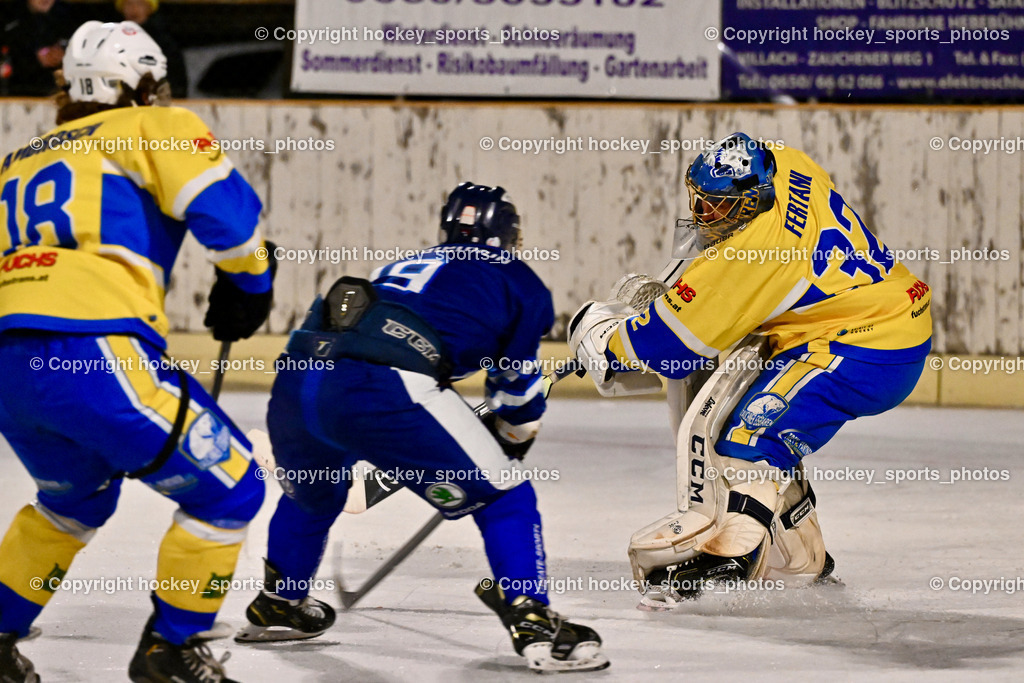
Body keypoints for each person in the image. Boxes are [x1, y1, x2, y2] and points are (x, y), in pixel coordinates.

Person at [236, 183, 609, 673]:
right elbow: (514, 386)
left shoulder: (398, 268)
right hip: (382, 387)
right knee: (506, 497)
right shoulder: (520, 280)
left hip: (298, 380)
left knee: (313, 493)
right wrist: (513, 437)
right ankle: (534, 621)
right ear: (507, 234)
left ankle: (280, 604)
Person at [0, 20, 273, 683]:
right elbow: (233, 225)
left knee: (72, 501)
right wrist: (252, 284)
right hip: (95, 354)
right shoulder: (153, 127)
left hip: (10, 365)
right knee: (232, 488)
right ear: (140, 83)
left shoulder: (19, 159)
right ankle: (170, 650)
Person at [569, 133, 932, 608]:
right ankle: (803, 559)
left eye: (719, 207)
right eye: (699, 199)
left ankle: (730, 561)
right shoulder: (786, 163)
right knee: (769, 437)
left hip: (861, 348)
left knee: (748, 444)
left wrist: (602, 340)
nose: (703, 215)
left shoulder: (751, 256)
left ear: (751, 204)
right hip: (886, 318)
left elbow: (668, 345)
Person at [0, 0, 80, 96]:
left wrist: (67, 57)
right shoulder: (8, 17)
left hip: (61, 95)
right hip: (14, 95)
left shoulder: (71, 15)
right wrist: (32, 59)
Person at [113, 0, 187, 98]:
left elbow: (177, 82)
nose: (134, 9)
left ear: (149, 9)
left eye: (140, 4)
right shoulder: (113, 37)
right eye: (129, 4)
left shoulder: (163, 41)